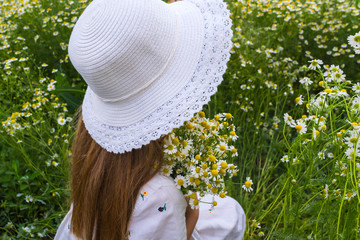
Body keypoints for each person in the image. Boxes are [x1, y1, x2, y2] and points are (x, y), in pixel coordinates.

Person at [54, 0, 246, 239]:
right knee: (228, 216)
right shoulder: (162, 194)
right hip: (162, 215)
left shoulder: (92, 153)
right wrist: (192, 216)